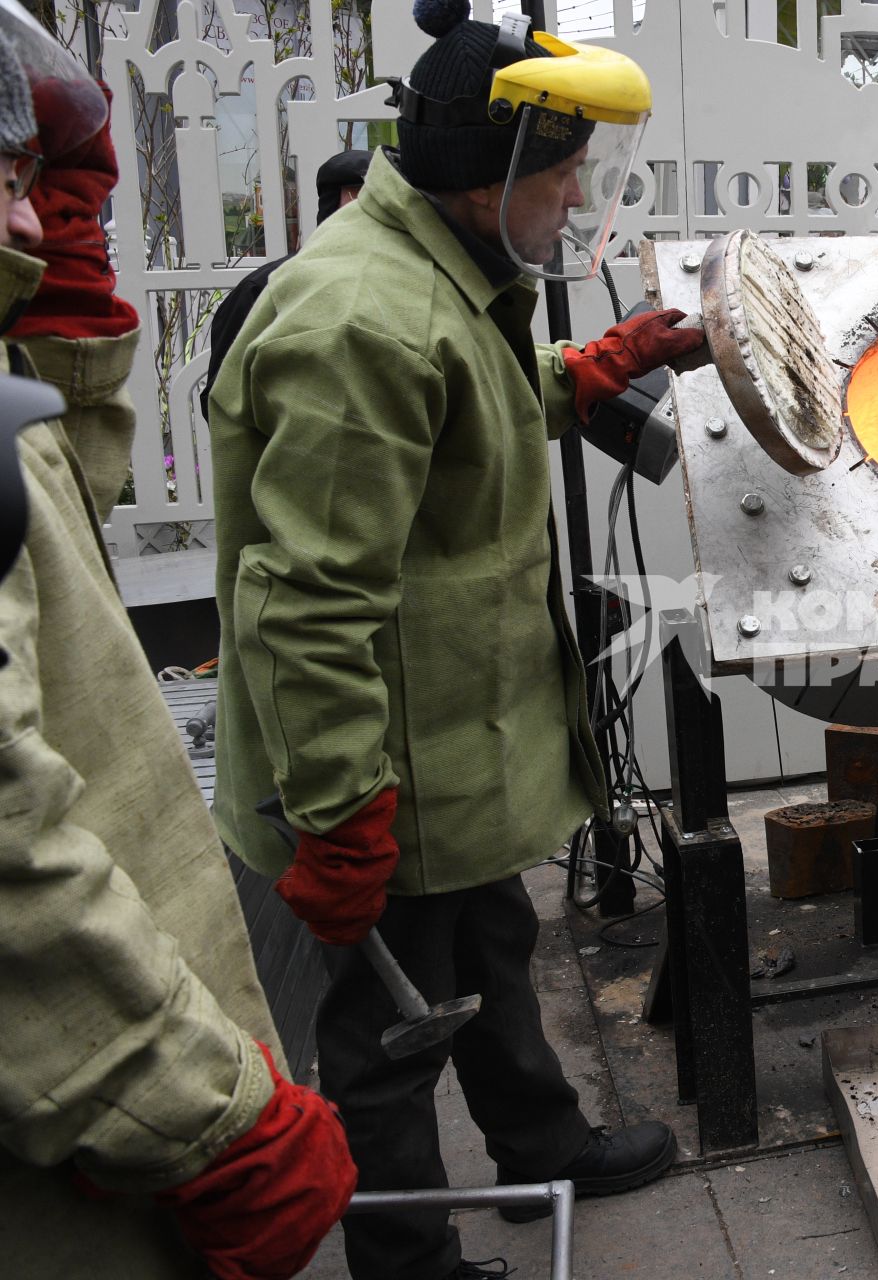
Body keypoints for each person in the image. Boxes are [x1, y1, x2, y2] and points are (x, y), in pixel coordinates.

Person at [207, 2, 704, 1277]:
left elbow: (459, 412)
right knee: (386, 1030)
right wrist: (339, 810)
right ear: (492, 180)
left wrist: (578, 377)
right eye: (566, 167)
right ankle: (410, 1257)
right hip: (381, 769)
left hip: (455, 750)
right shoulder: (359, 322)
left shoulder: (444, 274)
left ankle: (541, 1141)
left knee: (490, 949)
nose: (579, 190)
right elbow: (309, 598)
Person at [0, 12, 355, 1278]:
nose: (36, 224)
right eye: (3, 190)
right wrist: (212, 1125)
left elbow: (59, 513)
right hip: (81, 1148)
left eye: (36, 189)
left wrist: (64, 330)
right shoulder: (325, 315)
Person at [199, 146, 370, 415]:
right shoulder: (262, 290)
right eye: (358, 208)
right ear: (330, 211)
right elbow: (222, 401)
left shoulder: (411, 287)